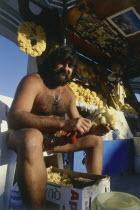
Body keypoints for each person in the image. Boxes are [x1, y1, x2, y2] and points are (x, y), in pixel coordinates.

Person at [7, 46, 112, 209]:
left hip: (51, 141)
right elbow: (15, 118)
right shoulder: (34, 81)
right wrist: (63, 123)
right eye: (62, 63)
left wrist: (93, 129)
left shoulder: (68, 93)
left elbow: (76, 123)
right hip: (22, 137)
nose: (66, 68)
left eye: (70, 66)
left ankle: (94, 195)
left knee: (96, 140)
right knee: (33, 137)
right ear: (51, 63)